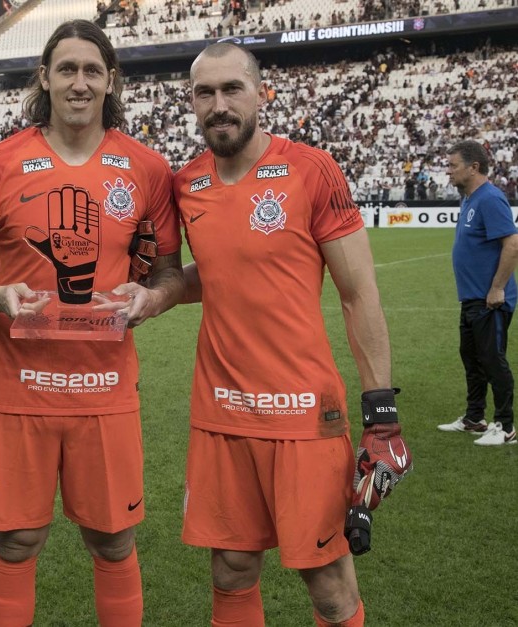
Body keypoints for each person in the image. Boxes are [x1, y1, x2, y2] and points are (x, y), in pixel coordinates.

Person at [0, 19, 184, 627]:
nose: (79, 83)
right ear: (44, 77)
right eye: (66, 69)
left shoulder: (148, 170)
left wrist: (150, 299)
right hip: (17, 390)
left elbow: (169, 272)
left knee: (113, 541)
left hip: (104, 392)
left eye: (91, 70)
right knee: (17, 542)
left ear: (110, 80)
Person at [173, 43, 412, 627]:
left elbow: (358, 295)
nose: (219, 105)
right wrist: (154, 295)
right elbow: (220, 268)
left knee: (329, 586)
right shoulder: (186, 183)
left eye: (232, 89)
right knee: (230, 569)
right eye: (206, 93)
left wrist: (380, 412)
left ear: (262, 93)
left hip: (304, 412)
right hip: (222, 410)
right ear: (193, 103)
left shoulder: (311, 169)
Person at [437, 140, 518, 445]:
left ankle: (506, 426)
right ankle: (475, 418)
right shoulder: (469, 198)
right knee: (471, 358)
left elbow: (512, 244)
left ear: (474, 167)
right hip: (472, 298)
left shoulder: (490, 199)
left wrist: (497, 287)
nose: (449, 171)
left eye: (453, 165)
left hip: (491, 300)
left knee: (492, 359)